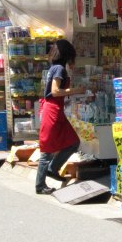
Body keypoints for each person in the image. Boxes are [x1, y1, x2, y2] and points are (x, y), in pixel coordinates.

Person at [36, 39, 85, 195]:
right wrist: (76, 90)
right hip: (52, 110)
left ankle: (53, 168)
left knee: (73, 142)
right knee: (47, 149)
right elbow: (55, 91)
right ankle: (40, 185)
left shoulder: (55, 68)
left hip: (56, 109)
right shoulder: (58, 69)